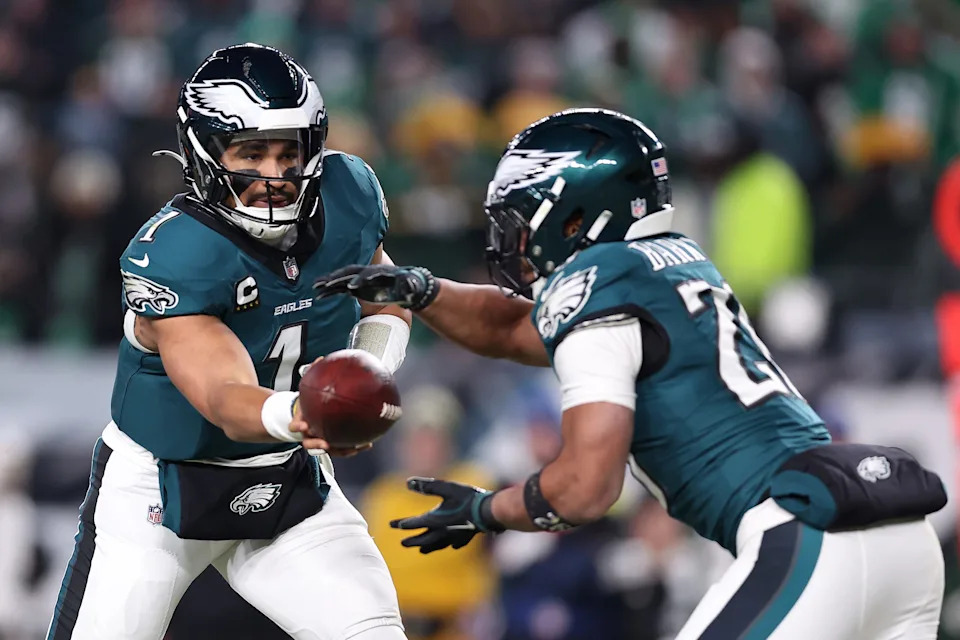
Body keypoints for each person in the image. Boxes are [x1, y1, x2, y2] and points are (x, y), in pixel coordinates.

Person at [314, 108, 947, 639]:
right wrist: (425, 291)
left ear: (572, 217)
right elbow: (514, 329)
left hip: (808, 536)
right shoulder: (675, 263)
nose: (511, 243)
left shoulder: (597, 282)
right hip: (897, 541)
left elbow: (586, 487)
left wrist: (487, 510)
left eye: (518, 221)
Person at [47, 43, 411, 640]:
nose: (274, 175)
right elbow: (224, 397)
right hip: (159, 495)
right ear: (207, 154)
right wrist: (308, 411)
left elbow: (384, 292)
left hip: (288, 481)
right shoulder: (178, 250)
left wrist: (366, 373)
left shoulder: (347, 195)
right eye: (251, 152)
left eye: (288, 152)